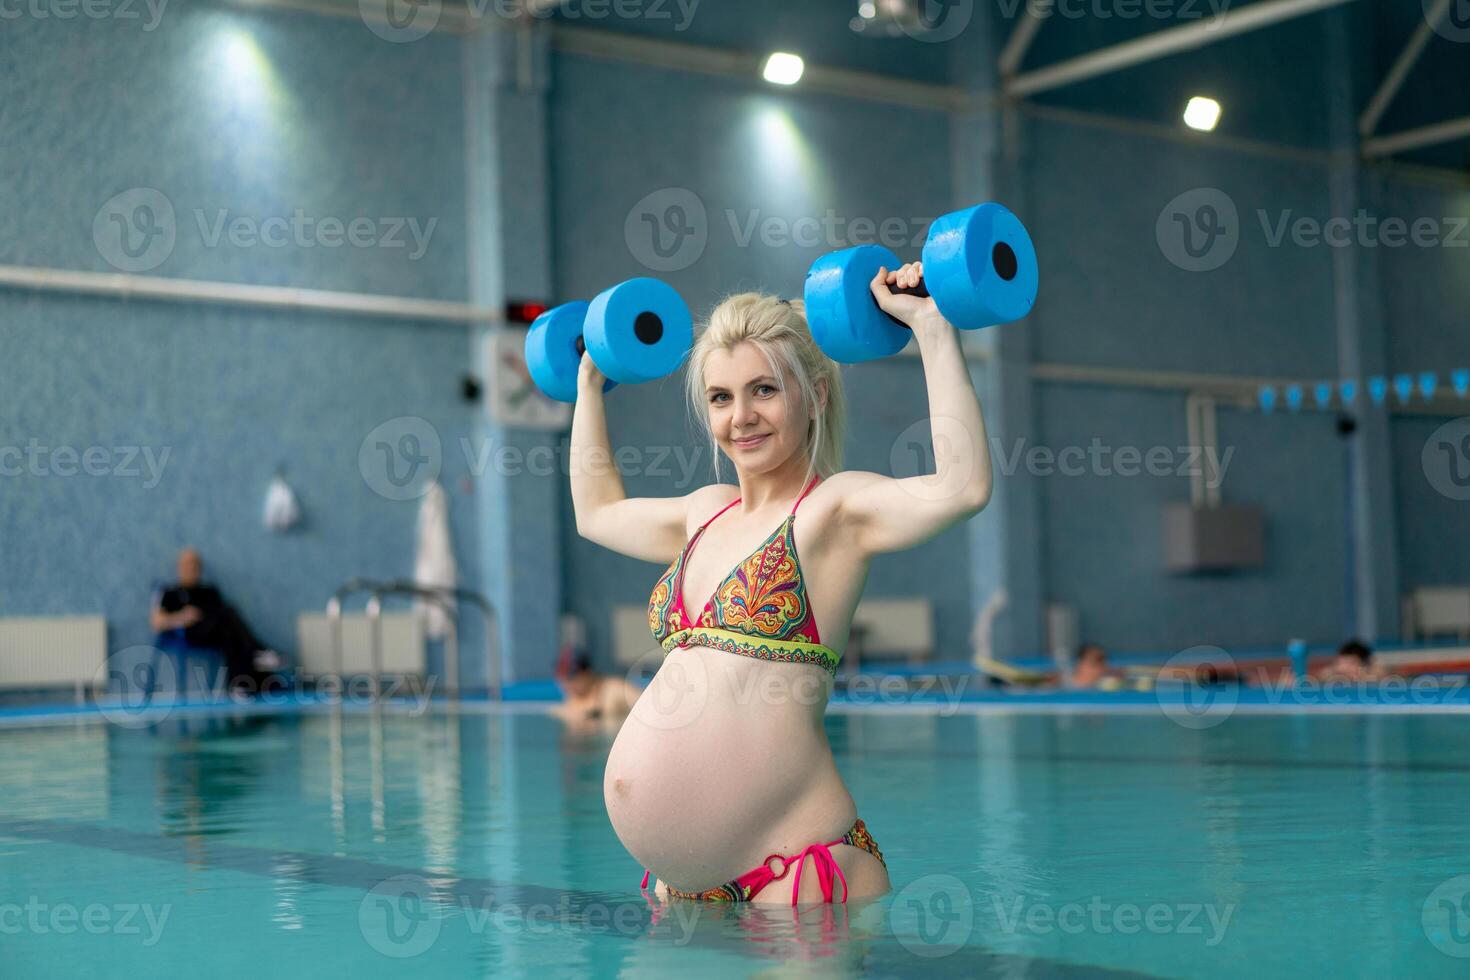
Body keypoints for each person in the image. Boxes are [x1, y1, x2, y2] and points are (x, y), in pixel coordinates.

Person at [572, 262, 993, 905]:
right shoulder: (703, 512)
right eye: (721, 397)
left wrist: (932, 328)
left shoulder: (832, 512)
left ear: (814, 396)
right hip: (686, 890)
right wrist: (588, 383)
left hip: (796, 876)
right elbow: (595, 513)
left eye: (764, 390)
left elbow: (962, 488)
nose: (741, 417)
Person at [150, 548, 282, 693]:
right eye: (187, 564)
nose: (192, 569)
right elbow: (157, 623)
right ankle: (256, 657)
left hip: (215, 632)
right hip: (190, 632)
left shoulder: (209, 592)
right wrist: (181, 617)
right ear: (179, 567)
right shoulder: (169, 593)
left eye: (195, 565)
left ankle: (241, 684)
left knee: (230, 634)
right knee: (230, 618)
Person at [551, 653, 640, 729]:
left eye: (571, 678)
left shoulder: (614, 690)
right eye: (563, 680)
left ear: (587, 673)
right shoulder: (571, 702)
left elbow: (648, 707)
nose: (567, 685)